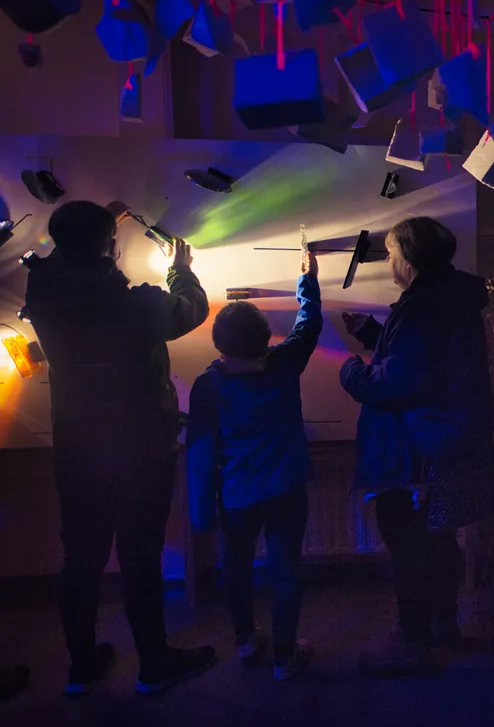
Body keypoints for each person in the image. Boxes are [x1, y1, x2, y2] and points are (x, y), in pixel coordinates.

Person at [22, 200, 216, 697]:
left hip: (77, 447)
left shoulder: (42, 289)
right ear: (110, 246)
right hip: (139, 448)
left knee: (81, 559)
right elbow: (189, 309)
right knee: (139, 558)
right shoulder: (134, 305)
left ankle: (81, 667)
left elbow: (62, 260)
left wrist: (100, 228)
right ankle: (154, 664)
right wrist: (182, 272)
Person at [339, 217, 494, 677]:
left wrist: (351, 370)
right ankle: (442, 626)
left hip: (418, 454)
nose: (389, 261)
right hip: (443, 444)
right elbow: (429, 361)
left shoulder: (424, 305)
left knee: (409, 548)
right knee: (436, 541)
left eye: (391, 253)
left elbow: (399, 383)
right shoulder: (446, 297)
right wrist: (374, 335)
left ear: (408, 257)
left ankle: (413, 643)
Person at [186, 250, 322, 681]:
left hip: (238, 496)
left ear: (219, 344)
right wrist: (308, 280)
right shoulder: (284, 362)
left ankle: (245, 641)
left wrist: (201, 514)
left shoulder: (207, 387)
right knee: (286, 572)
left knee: (236, 569)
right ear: (265, 339)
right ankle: (284, 656)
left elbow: (202, 453)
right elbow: (309, 323)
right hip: (285, 490)